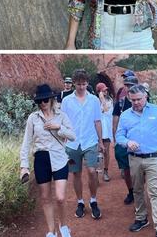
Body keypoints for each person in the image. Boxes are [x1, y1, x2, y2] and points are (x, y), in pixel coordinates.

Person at [116, 85, 157, 237]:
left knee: (155, 192)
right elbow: (119, 136)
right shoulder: (125, 115)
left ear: (145, 96)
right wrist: (127, 142)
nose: (136, 102)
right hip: (134, 159)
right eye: (133, 100)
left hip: (154, 158)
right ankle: (141, 218)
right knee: (137, 190)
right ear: (129, 99)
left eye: (139, 99)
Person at [20, 84, 76, 237]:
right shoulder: (33, 118)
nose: (43, 103)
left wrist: (59, 127)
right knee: (45, 197)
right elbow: (26, 142)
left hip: (59, 157)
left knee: (60, 197)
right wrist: (23, 166)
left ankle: (63, 226)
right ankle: (51, 231)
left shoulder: (61, 115)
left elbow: (72, 135)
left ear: (51, 99)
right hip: (41, 158)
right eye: (40, 101)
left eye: (45, 100)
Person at [60, 69, 104, 220]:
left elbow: (97, 121)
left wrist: (100, 141)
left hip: (90, 141)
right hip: (72, 143)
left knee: (92, 171)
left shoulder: (94, 100)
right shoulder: (66, 101)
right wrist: (63, 138)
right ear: (73, 84)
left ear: (87, 83)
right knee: (76, 173)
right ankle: (80, 202)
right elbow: (63, 121)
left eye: (84, 84)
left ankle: (93, 200)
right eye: (78, 84)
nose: (81, 87)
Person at [113, 75, 139, 204]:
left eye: (131, 85)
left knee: (140, 170)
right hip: (124, 141)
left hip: (139, 141)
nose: (128, 88)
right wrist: (116, 139)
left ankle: (138, 191)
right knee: (126, 170)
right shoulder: (121, 102)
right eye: (127, 85)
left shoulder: (142, 100)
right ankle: (131, 191)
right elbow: (115, 120)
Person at [95, 82, 113, 182]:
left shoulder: (109, 101)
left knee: (106, 151)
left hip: (107, 130)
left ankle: (105, 171)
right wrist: (100, 99)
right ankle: (97, 173)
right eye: (103, 90)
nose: (106, 91)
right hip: (97, 131)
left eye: (106, 90)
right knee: (98, 153)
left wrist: (102, 99)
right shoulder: (94, 102)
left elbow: (106, 110)